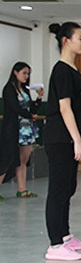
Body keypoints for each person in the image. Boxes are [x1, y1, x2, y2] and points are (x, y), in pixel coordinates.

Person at [44, 22, 81, 261]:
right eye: (80, 38)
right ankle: (54, 245)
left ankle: (64, 236)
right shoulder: (61, 70)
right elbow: (65, 108)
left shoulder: (72, 70)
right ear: (66, 41)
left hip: (70, 138)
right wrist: (76, 140)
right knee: (59, 190)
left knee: (69, 187)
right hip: (59, 138)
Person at [0, 62, 43, 200]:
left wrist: (39, 98)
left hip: (26, 129)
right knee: (7, 159)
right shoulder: (9, 89)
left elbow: (32, 108)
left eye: (28, 74)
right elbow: (15, 108)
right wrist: (30, 115)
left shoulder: (24, 89)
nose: (26, 76)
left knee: (23, 160)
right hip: (13, 128)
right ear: (15, 72)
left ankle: (22, 190)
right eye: (24, 73)